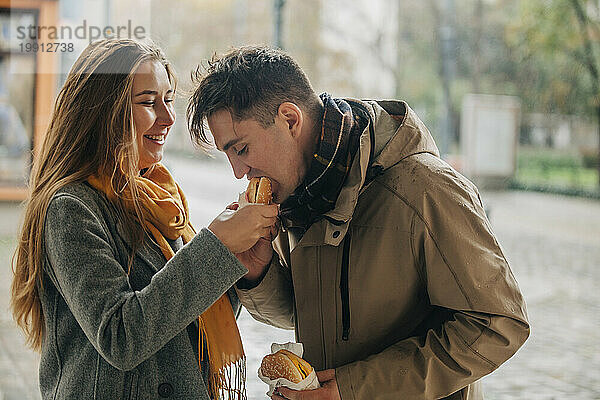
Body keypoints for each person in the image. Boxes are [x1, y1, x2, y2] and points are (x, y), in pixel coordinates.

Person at [187, 46, 530, 400]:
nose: (237, 172)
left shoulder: (425, 188)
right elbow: (308, 316)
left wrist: (354, 390)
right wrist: (259, 272)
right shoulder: (300, 197)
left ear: (290, 119)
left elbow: (499, 325)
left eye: (240, 149)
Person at [10, 39, 279, 400]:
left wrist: (238, 266)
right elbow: (121, 336)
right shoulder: (70, 208)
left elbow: (182, 322)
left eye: (168, 100)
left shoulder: (161, 199)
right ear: (104, 111)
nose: (168, 118)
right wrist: (217, 245)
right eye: (149, 103)